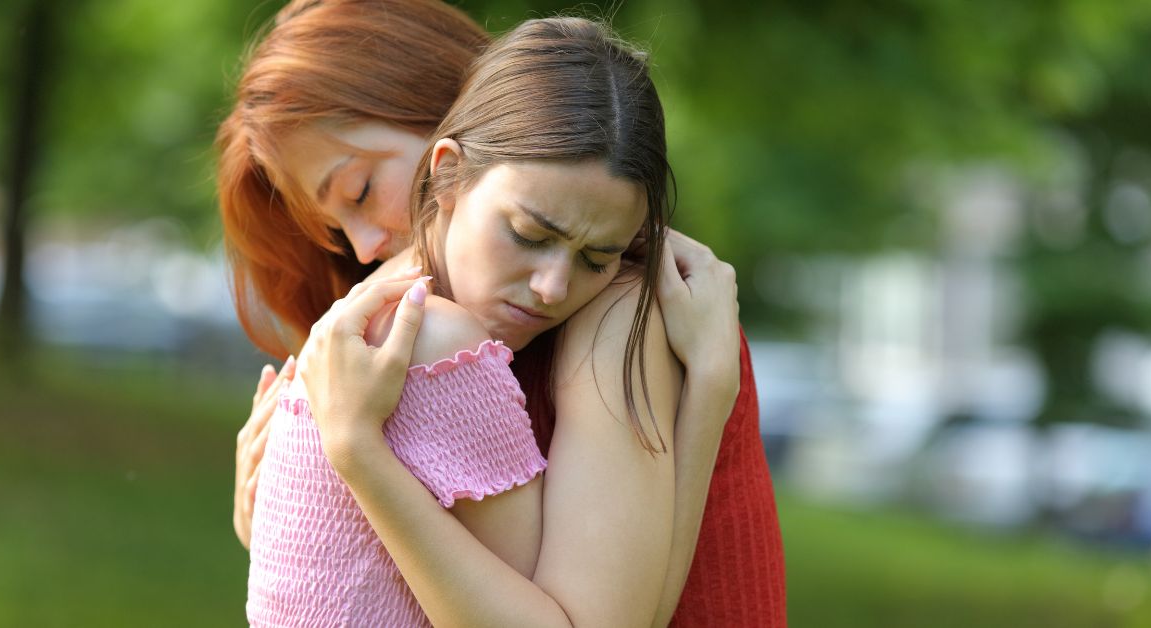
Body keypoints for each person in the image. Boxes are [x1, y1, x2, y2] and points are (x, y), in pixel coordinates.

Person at [218, 1, 785, 626]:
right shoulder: (414, 341)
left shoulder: (614, 315)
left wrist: (710, 392)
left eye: (360, 190)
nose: (367, 250)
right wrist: (287, 520)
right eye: (333, 227)